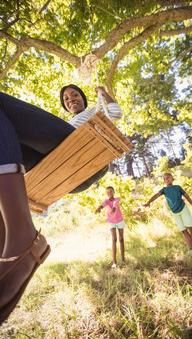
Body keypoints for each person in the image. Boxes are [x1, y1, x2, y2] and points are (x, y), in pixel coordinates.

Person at [0, 85, 122, 324]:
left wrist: (103, 92)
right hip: (58, 161)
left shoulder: (97, 110)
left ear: (85, 98)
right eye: (66, 98)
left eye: (75, 95)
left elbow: (115, 112)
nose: (71, 99)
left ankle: (21, 235)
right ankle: (4, 244)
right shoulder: (66, 123)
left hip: (87, 150)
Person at [143, 173, 192, 257]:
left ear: (172, 178)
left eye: (168, 177)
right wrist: (148, 202)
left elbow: (187, 196)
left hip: (183, 209)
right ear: (164, 181)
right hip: (175, 213)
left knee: (191, 228)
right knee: (183, 231)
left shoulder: (178, 187)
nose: (167, 179)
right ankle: (191, 250)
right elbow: (156, 195)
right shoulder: (164, 190)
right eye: (165, 178)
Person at [95, 186, 125, 268]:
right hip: (111, 221)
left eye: (111, 191)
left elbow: (115, 204)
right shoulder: (106, 201)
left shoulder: (117, 199)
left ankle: (123, 259)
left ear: (113, 192)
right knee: (114, 239)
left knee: (121, 239)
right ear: (106, 194)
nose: (109, 193)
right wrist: (99, 208)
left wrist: (114, 209)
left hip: (119, 220)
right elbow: (103, 204)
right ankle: (114, 262)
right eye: (107, 192)